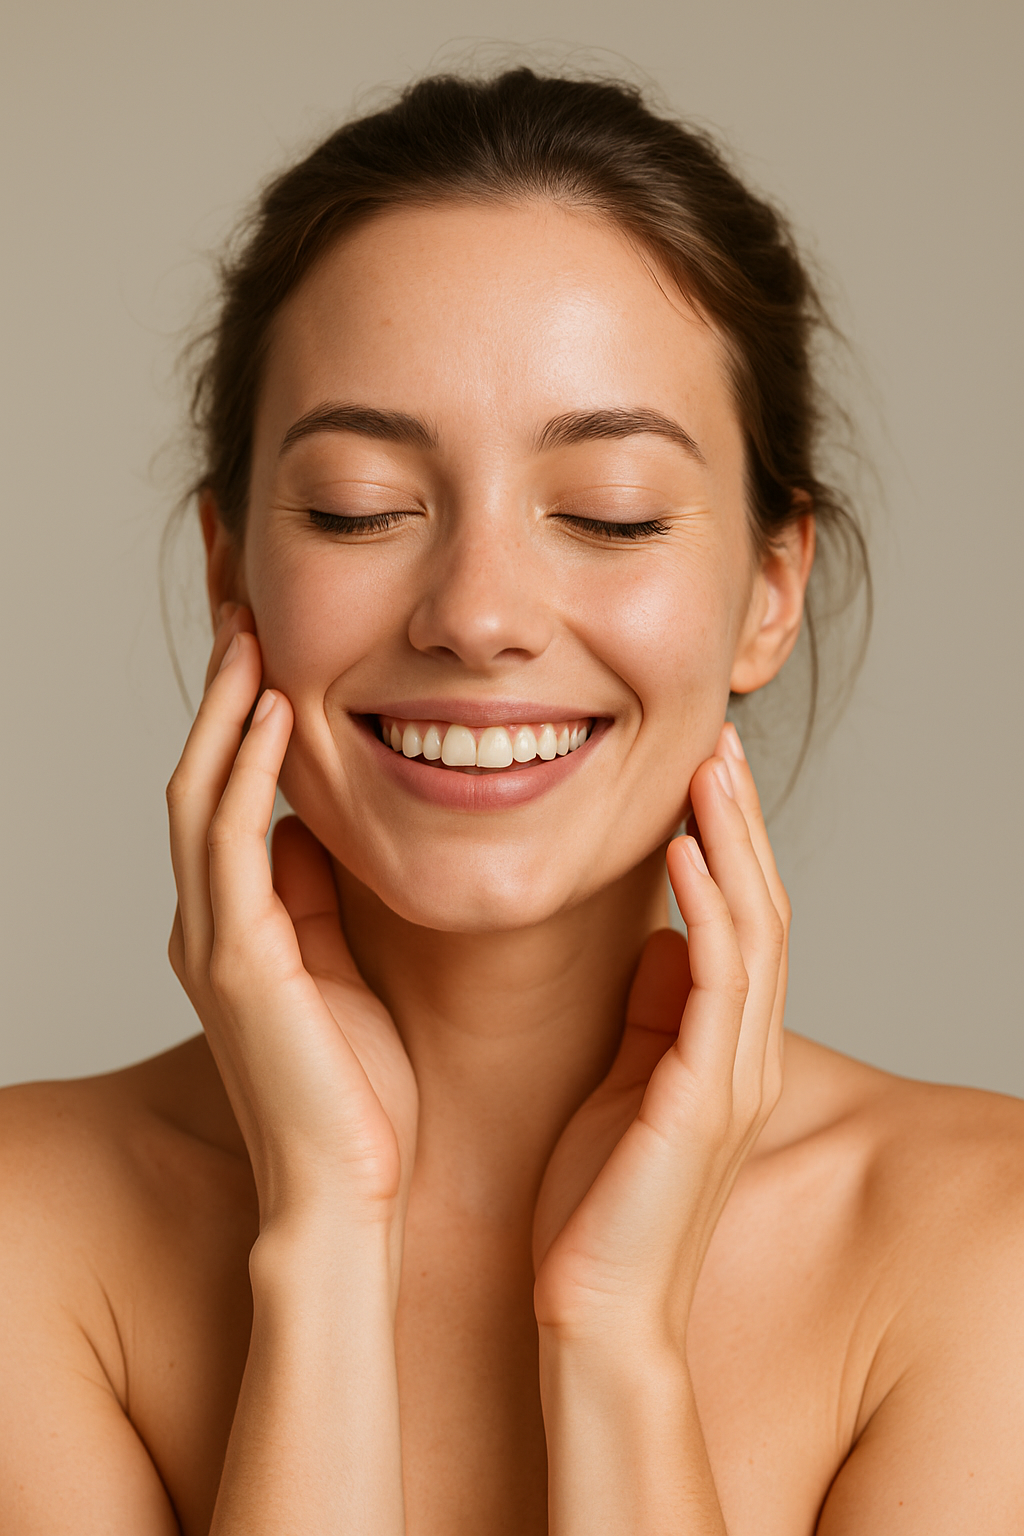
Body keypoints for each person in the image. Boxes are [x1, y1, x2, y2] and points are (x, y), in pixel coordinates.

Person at [1, 66, 1022, 1536]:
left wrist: (617, 1340)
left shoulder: (986, 1251)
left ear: (770, 590)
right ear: (232, 571)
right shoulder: (27, 1234)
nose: (478, 615)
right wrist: (324, 1243)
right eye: (360, 507)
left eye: (609, 512)